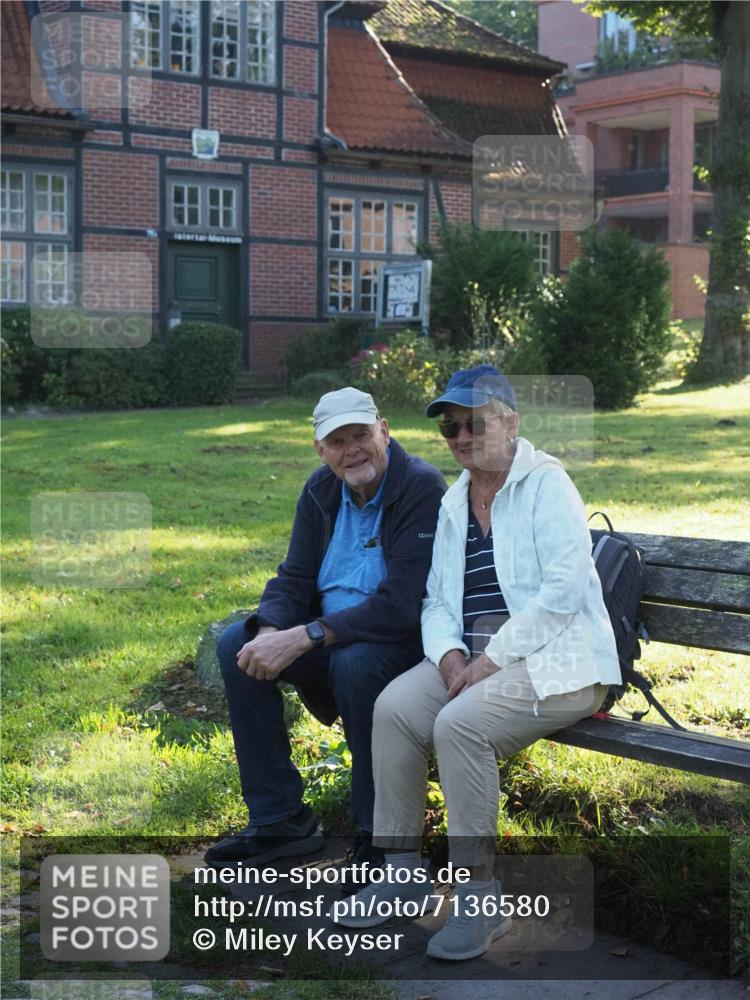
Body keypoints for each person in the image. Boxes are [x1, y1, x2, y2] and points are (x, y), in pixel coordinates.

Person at [332, 365, 621, 959]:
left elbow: (562, 593)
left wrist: (488, 663)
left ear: (511, 423)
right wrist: (449, 658)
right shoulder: (454, 499)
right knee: (393, 709)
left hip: (561, 665)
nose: (463, 438)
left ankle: (480, 897)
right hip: (473, 663)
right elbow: (437, 598)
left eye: (476, 424)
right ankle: (404, 871)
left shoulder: (547, 485)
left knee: (458, 724)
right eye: (451, 429)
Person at [206, 387, 446, 893]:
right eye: (336, 441)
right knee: (237, 646)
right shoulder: (320, 490)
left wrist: (309, 635)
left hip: (401, 642)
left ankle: (377, 837)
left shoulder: (421, 487)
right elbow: (294, 577)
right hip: (331, 639)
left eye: (360, 435)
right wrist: (272, 631)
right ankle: (280, 822)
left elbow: (402, 604)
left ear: (384, 430)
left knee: (357, 666)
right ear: (320, 449)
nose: (350, 449)